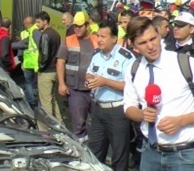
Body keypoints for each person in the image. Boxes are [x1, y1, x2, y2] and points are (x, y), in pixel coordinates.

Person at [123, 16, 194, 170]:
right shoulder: (133, 69)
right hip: (150, 152)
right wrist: (141, 115)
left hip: (185, 155)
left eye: (153, 39)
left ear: (159, 34)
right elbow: (129, 107)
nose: (151, 46)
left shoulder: (186, 64)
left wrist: (181, 121)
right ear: (133, 45)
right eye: (143, 43)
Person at [86, 20, 134, 171]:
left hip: (117, 112)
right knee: (94, 152)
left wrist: (106, 81)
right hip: (98, 109)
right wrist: (90, 80)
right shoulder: (96, 55)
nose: (99, 40)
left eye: (103, 37)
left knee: (119, 155)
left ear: (114, 38)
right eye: (98, 36)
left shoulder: (126, 57)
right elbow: (88, 73)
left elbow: (131, 87)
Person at [56, 11, 98, 142]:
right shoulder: (68, 41)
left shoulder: (96, 40)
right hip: (75, 90)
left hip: (95, 90)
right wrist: (62, 84)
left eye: (80, 26)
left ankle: (97, 151)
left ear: (87, 25)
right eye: (75, 26)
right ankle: (81, 148)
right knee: (78, 124)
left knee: (98, 124)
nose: (77, 29)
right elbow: (60, 62)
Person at [35, 11, 62, 120]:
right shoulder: (56, 34)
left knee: (46, 103)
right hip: (55, 71)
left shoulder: (45, 35)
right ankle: (59, 124)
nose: (36, 24)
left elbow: (45, 55)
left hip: (46, 72)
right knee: (52, 99)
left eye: (38, 22)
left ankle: (49, 129)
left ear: (45, 22)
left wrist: (40, 69)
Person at [12, 16, 41, 110]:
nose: (24, 25)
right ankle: (36, 100)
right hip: (35, 63)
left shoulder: (31, 32)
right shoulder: (38, 31)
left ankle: (31, 101)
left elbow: (22, 46)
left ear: (28, 24)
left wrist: (21, 61)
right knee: (35, 83)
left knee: (28, 83)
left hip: (30, 63)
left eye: (24, 24)